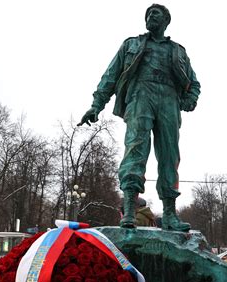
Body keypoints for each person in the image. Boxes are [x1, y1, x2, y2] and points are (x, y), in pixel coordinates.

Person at [79, 4, 200, 232]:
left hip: (169, 99)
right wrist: (96, 105)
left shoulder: (178, 51)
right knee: (135, 149)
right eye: (147, 14)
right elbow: (110, 76)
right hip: (140, 96)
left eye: (155, 13)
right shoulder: (131, 44)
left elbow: (194, 83)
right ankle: (130, 212)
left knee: (169, 156)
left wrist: (190, 100)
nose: (150, 16)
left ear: (166, 20)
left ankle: (171, 215)